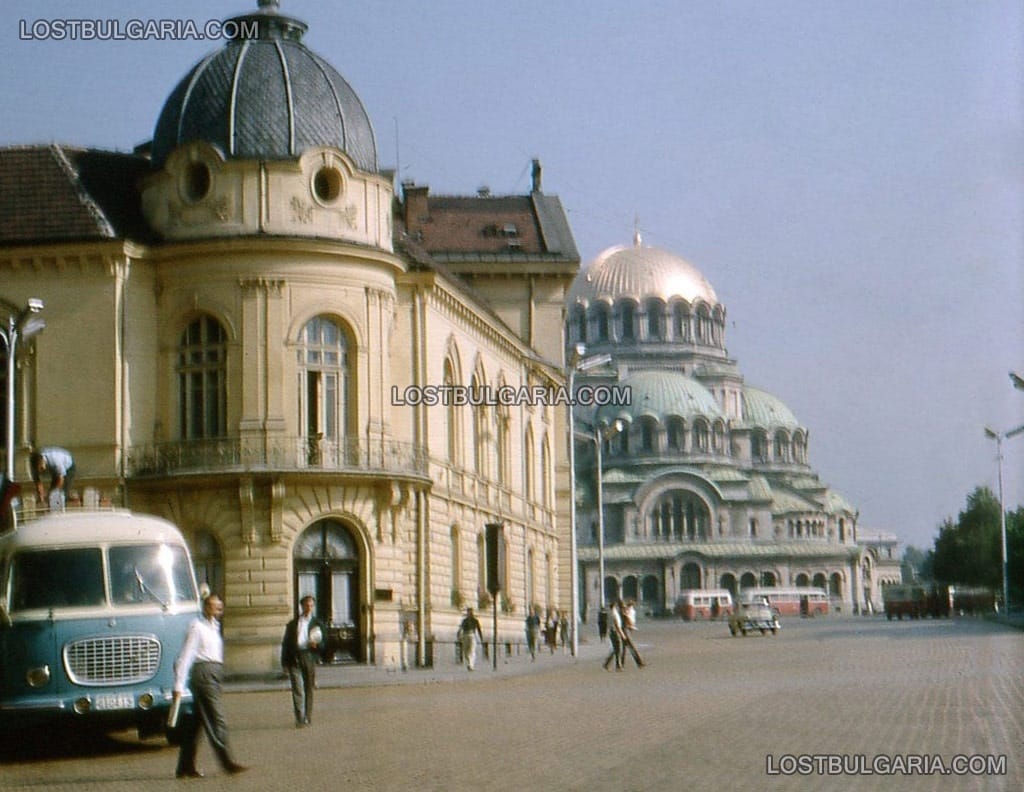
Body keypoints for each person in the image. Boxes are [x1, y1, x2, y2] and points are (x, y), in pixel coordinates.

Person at [172, 594, 247, 779]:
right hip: (204, 675)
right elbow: (186, 655)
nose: (218, 610)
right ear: (206, 607)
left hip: (213, 675)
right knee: (217, 719)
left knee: (195, 725)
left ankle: (185, 767)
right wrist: (178, 684)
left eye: (220, 607)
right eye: (214, 607)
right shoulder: (197, 627)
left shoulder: (215, 627)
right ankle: (227, 762)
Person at [281, 595, 326, 727]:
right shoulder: (293, 624)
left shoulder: (317, 624)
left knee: (308, 688)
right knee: (297, 689)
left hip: (309, 657)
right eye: (306, 605)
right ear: (302, 606)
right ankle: (299, 717)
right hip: (295, 657)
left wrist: (317, 645)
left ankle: (307, 716)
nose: (309, 608)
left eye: (311, 606)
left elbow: (324, 643)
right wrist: (284, 663)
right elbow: (286, 644)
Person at [620, 599, 645, 668]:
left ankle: (620, 663)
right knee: (632, 647)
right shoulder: (624, 612)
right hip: (625, 631)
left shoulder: (624, 611)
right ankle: (639, 662)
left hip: (625, 630)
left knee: (622, 649)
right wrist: (632, 626)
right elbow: (628, 619)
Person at [602, 600, 625, 671]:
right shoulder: (615, 614)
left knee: (615, 649)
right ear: (615, 606)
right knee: (618, 649)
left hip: (611, 632)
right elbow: (617, 625)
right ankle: (617, 665)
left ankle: (607, 664)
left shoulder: (609, 613)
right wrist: (622, 634)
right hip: (615, 632)